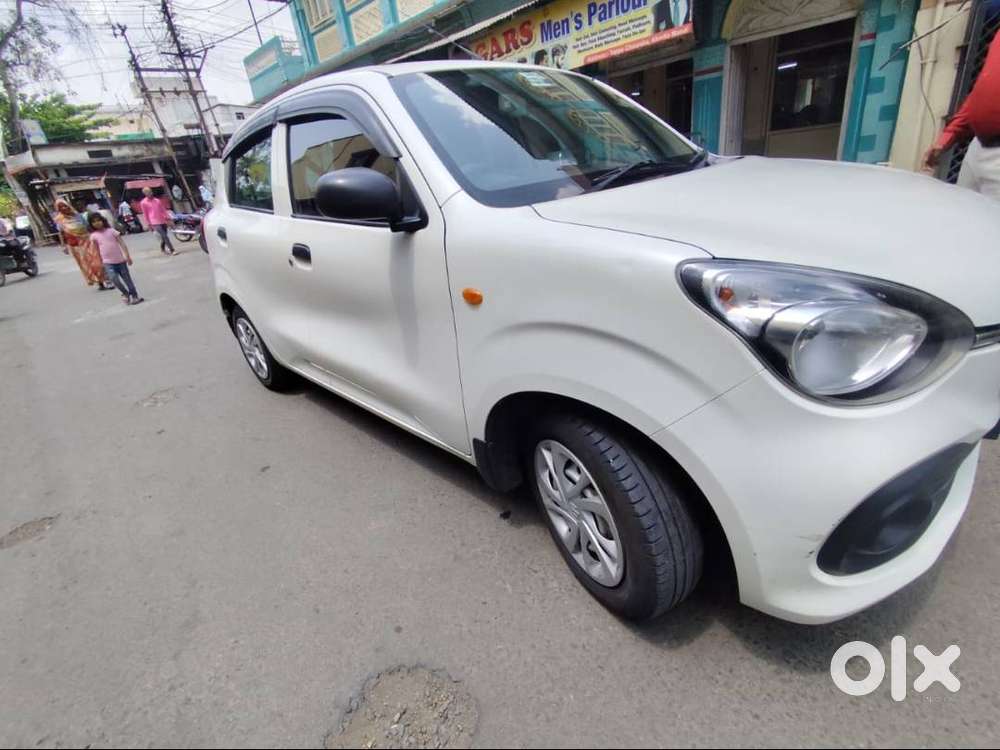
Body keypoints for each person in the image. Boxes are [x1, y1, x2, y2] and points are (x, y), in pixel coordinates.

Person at [923, 27, 1000, 200]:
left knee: (990, 225)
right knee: (961, 216)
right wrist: (947, 137)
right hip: (978, 148)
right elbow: (982, 92)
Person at [86, 212, 143, 305]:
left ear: (102, 220)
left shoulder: (111, 231)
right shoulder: (94, 236)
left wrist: (127, 256)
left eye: (98, 220)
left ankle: (135, 296)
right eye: (94, 222)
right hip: (107, 262)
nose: (97, 223)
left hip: (120, 261)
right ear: (91, 224)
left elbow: (122, 243)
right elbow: (96, 251)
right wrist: (99, 262)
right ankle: (125, 293)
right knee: (114, 279)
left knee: (128, 280)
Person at [53, 198, 109, 290]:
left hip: (87, 241)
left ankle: (106, 279)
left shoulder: (78, 216)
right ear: (58, 209)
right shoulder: (59, 220)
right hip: (75, 245)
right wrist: (63, 246)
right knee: (87, 264)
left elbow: (88, 227)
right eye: (60, 207)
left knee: (97, 261)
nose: (63, 208)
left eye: (64, 205)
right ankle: (100, 282)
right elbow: (61, 233)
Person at [139, 187, 176, 255]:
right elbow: (145, 214)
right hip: (154, 221)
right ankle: (172, 250)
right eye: (148, 192)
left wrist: (168, 218)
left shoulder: (157, 200)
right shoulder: (143, 203)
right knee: (164, 236)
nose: (150, 193)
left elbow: (163, 210)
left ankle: (162, 248)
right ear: (145, 194)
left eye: (150, 191)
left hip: (162, 220)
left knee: (164, 236)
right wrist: (148, 224)